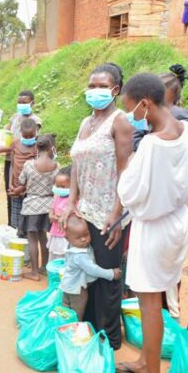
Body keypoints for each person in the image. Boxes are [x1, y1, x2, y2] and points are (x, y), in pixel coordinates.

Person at [115, 73, 188, 373]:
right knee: (164, 292)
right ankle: (145, 360)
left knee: (149, 302)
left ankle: (151, 369)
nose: (132, 115)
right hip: (179, 220)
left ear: (145, 104)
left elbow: (129, 192)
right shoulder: (187, 129)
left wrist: (124, 164)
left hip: (153, 228)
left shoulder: (151, 145)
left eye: (132, 108)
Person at [60, 62, 133, 350]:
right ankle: (88, 330)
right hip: (84, 210)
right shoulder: (85, 122)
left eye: (102, 86)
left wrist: (117, 212)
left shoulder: (120, 121)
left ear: (115, 90)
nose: (95, 91)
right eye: (92, 86)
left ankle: (110, 339)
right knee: (88, 277)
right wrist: (71, 202)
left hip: (108, 213)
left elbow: (126, 167)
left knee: (107, 277)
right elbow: (76, 166)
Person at [60, 215, 122, 321]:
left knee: (66, 311)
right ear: (67, 238)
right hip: (77, 290)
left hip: (67, 286)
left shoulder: (72, 247)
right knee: (77, 314)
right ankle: (75, 331)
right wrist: (111, 274)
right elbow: (93, 269)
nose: (84, 239)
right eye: (78, 237)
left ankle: (65, 329)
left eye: (86, 234)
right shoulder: (80, 256)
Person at [16, 134, 59, 281]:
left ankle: (34, 272)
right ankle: (44, 267)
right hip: (49, 205)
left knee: (32, 238)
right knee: (43, 237)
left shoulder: (29, 165)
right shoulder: (56, 166)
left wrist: (17, 190)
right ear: (52, 147)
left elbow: (21, 182)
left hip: (32, 205)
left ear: (37, 147)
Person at [0, 118, 39, 237]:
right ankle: (15, 242)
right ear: (20, 132)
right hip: (16, 187)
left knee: (29, 221)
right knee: (15, 220)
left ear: (36, 132)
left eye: (31, 136)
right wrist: (11, 183)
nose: (28, 139)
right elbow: (12, 164)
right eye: (25, 136)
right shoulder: (15, 144)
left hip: (31, 190)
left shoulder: (38, 147)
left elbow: (38, 171)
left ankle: (27, 246)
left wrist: (25, 188)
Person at [4, 90, 42, 227]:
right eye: (19, 102)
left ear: (32, 103)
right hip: (11, 160)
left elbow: (31, 141)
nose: (21, 105)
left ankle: (25, 228)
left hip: (27, 166)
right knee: (11, 195)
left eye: (24, 102)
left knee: (26, 199)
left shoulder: (35, 121)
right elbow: (5, 133)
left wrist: (1, 149)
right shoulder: (15, 117)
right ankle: (12, 227)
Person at [48, 167, 71, 262]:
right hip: (55, 233)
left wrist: (61, 217)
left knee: (64, 257)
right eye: (57, 186)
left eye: (63, 186)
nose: (59, 189)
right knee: (54, 257)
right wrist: (51, 215)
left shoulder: (72, 200)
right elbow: (51, 209)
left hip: (66, 236)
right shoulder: (58, 197)